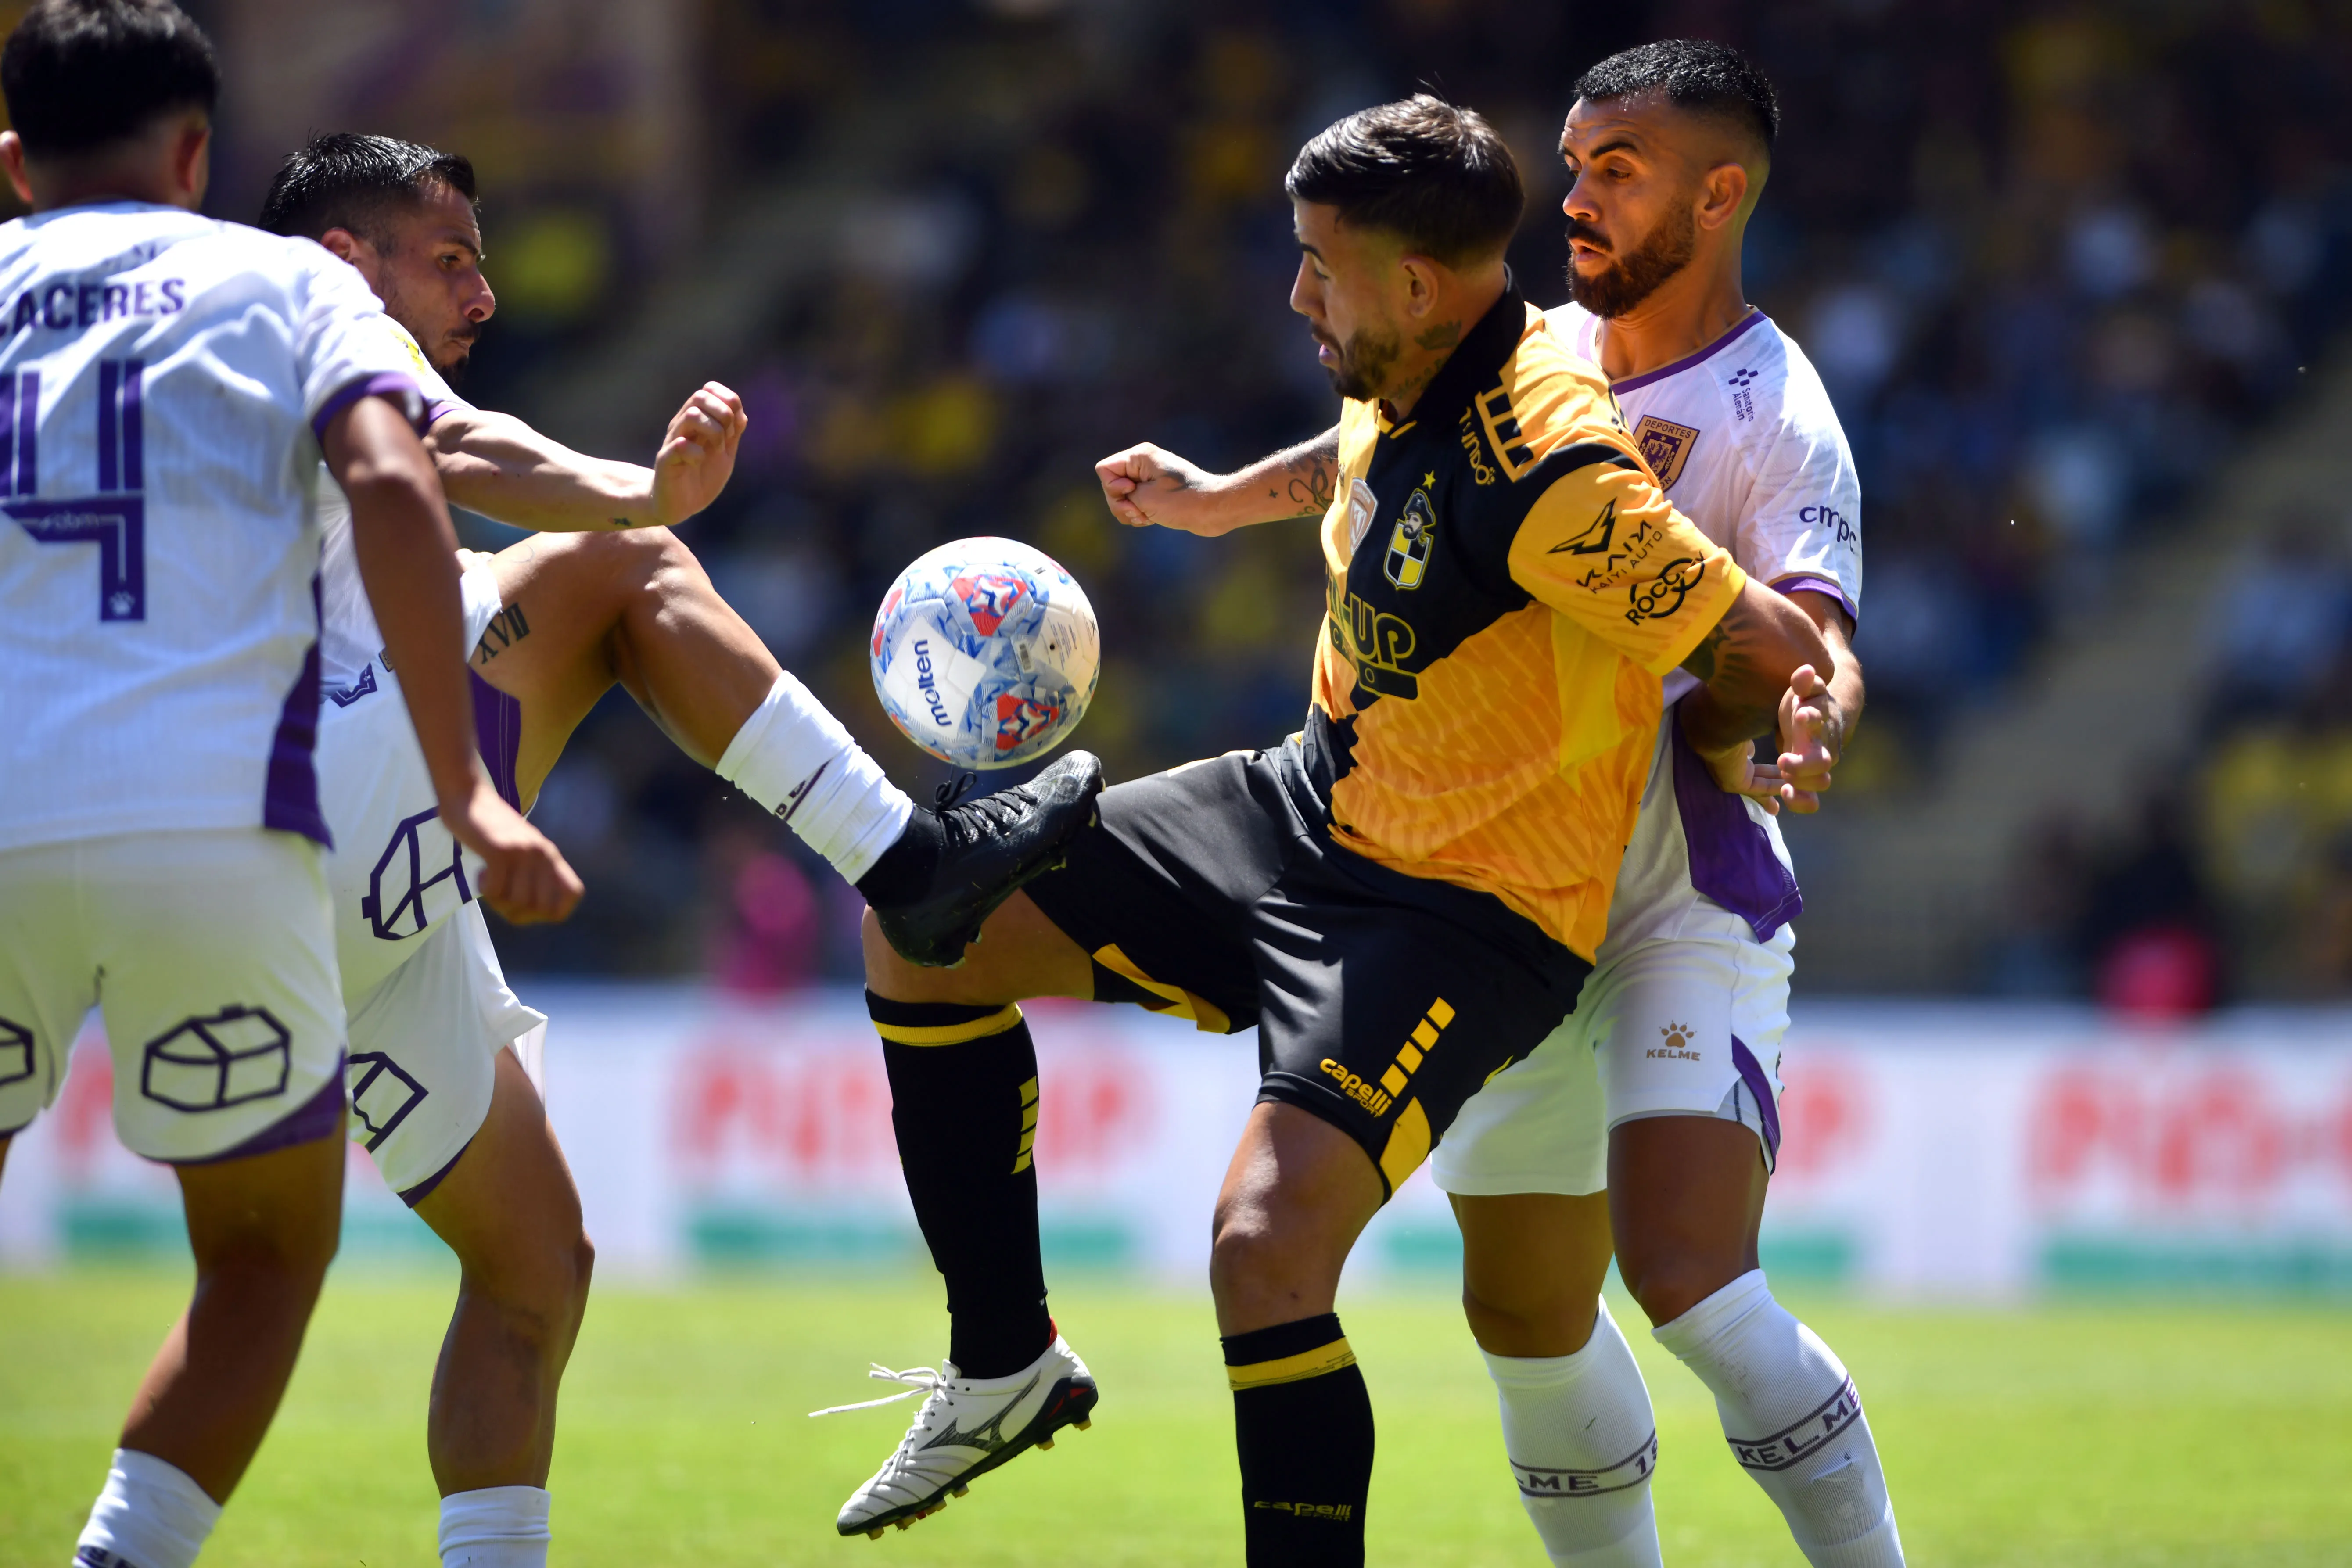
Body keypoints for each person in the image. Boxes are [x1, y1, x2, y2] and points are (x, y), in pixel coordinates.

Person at [833, 96, 1832, 1564]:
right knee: (926, 918)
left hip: (1459, 912)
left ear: (1416, 285)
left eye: (1317, 264)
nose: (1296, 290)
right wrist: (1220, 500)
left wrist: (1778, 714)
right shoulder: (1415, 352)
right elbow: (1365, 448)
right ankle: (1004, 1359)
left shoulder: (1560, 476)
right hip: (1309, 801)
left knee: (1262, 1251)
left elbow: (1758, 641)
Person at [1100, 41, 1902, 1568]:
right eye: (1576, 158)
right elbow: (1375, 438)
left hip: (1677, 880)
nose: (1577, 196)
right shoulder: (1528, 341)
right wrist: (1218, 498)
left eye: (1620, 170)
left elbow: (1817, 634)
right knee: (1524, 1310)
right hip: (1486, 887)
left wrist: (1813, 720)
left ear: (1717, 194)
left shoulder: (1775, 410)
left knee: (1688, 1280)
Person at [255, 131, 1106, 1568]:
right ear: (351, 258)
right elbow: (458, 446)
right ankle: (908, 866)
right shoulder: (301, 311)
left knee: (532, 1270)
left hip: (313, 916)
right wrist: (637, 490)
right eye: (450, 257)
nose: (485, 291)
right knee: (624, 565)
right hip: (323, 799)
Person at [0, 7, 577, 1568]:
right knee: (258, 1263)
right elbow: (401, 478)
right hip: (207, 822)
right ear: (196, 155)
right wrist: (467, 791)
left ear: (10, 161)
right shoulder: (287, 286)